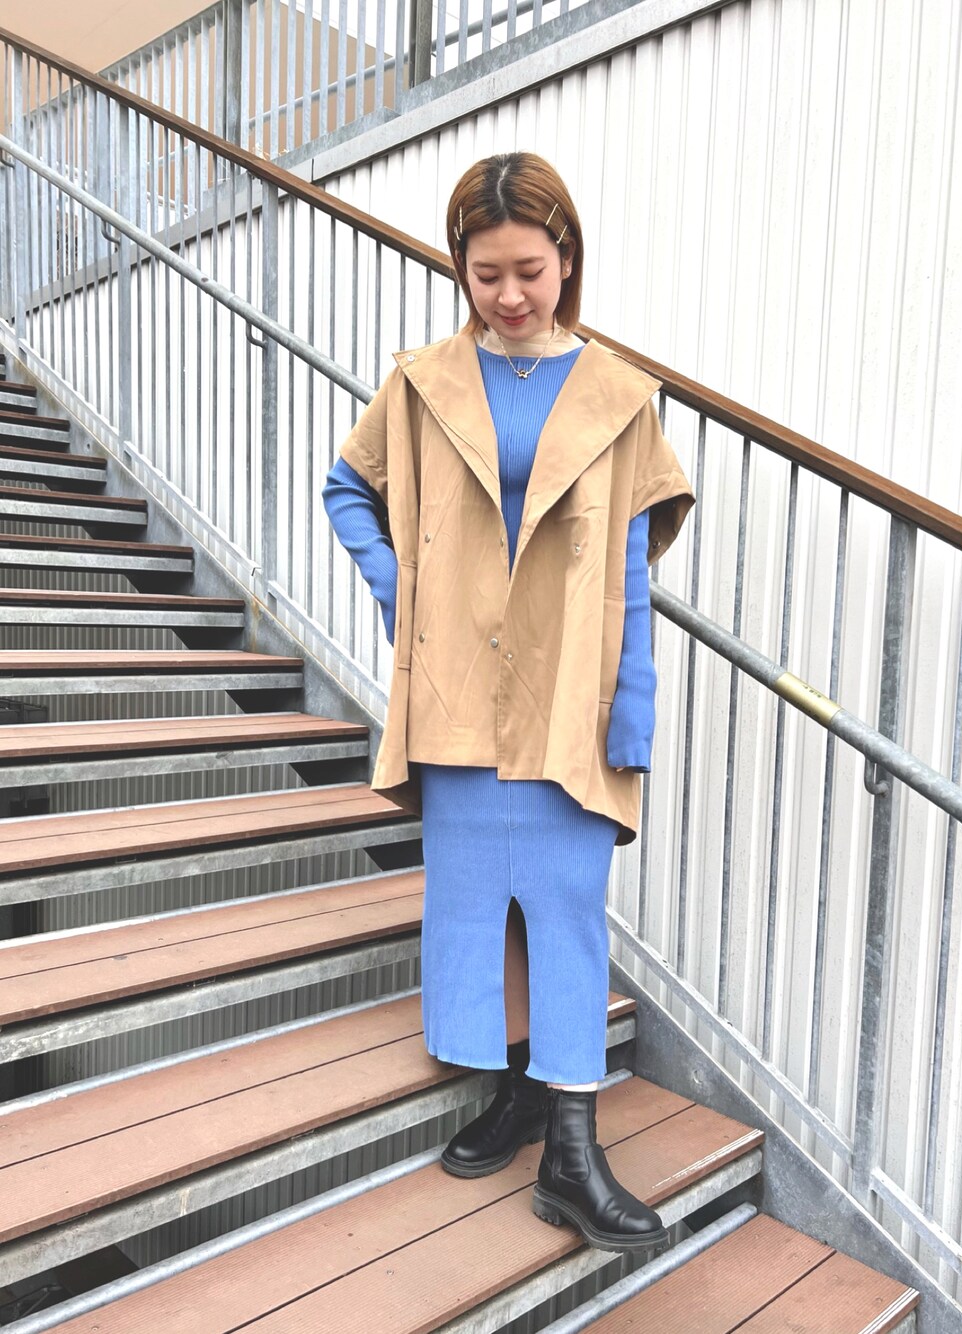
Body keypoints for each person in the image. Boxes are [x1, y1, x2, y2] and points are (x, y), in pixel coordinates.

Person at [322, 151, 694, 1253]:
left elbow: (629, 571)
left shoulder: (617, 395)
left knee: (568, 905)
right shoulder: (423, 381)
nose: (510, 294)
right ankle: (522, 1092)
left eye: (529, 269)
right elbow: (348, 485)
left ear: (565, 257)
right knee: (481, 906)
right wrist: (401, 587)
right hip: (457, 693)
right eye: (486, 274)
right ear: (461, 269)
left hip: (569, 691)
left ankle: (571, 1151)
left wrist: (632, 709)